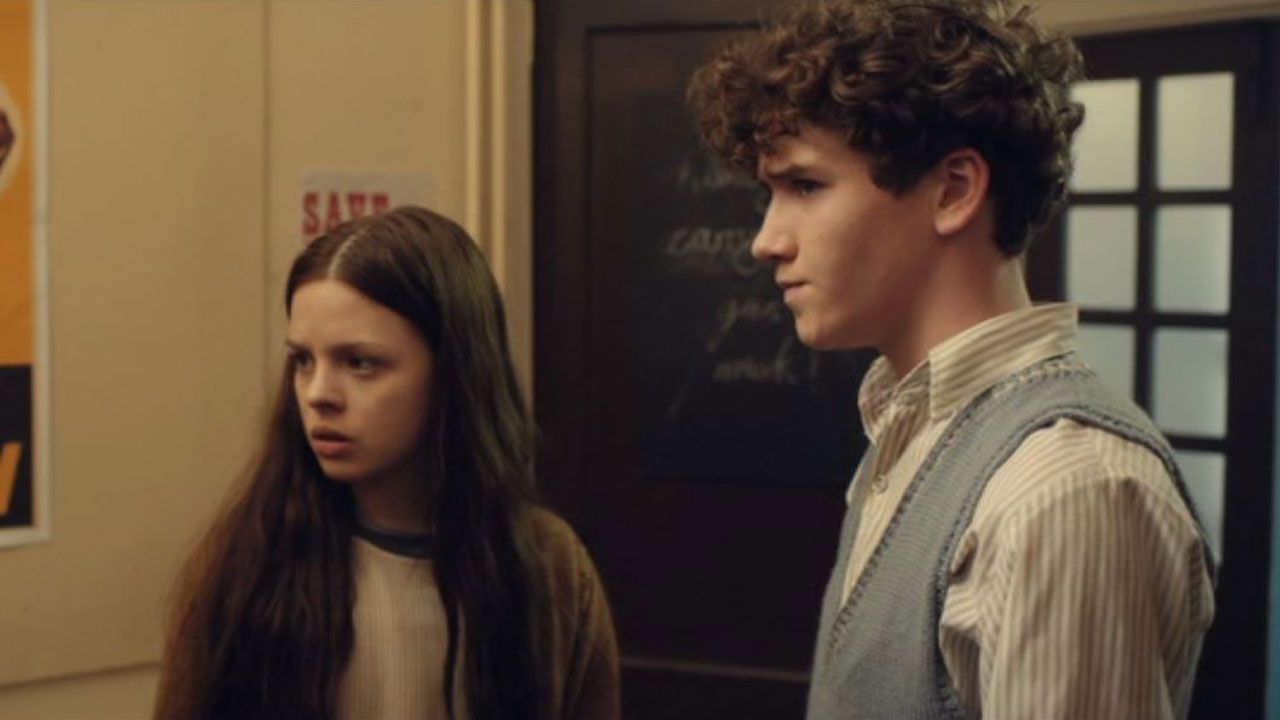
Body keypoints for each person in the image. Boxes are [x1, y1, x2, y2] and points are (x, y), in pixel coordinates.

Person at [687, 1, 1215, 718]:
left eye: (806, 185)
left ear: (955, 190)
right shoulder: (909, 428)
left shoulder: (1064, 489)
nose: (766, 240)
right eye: (771, 192)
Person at [154, 206, 620, 720]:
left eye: (360, 363)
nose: (318, 394)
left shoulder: (549, 570)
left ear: (454, 374)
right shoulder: (246, 563)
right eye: (303, 360)